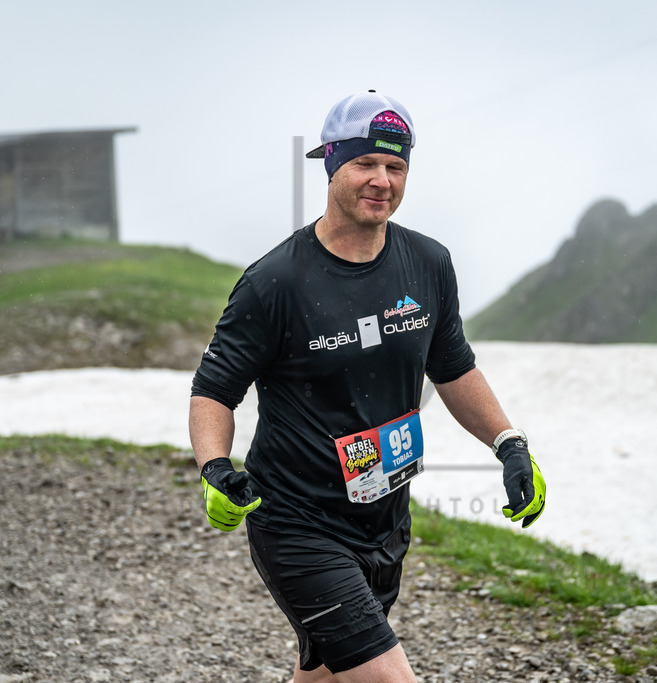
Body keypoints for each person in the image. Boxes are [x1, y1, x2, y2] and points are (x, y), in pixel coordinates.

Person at [189, 90, 546, 682]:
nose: (382, 180)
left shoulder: (429, 263)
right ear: (331, 164)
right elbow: (214, 390)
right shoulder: (276, 281)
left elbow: (453, 367)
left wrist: (509, 444)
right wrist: (214, 467)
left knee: (328, 676)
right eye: (365, 163)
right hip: (296, 522)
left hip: (384, 518)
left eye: (396, 166)